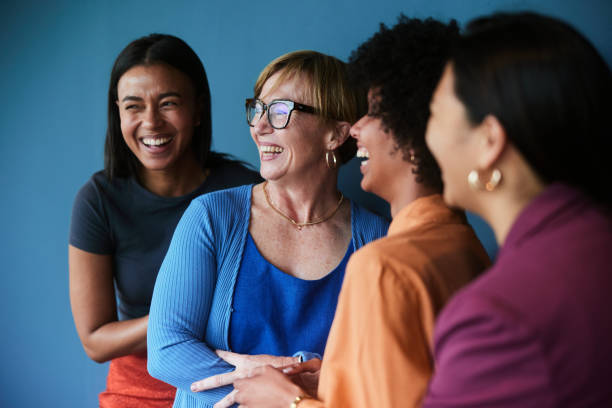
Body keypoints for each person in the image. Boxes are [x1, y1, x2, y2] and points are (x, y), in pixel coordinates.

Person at [191, 16, 491, 408]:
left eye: (376, 112)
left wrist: (289, 400)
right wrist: (326, 377)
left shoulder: (383, 264)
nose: (357, 129)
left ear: (418, 132)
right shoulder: (467, 246)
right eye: (258, 109)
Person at [146, 50, 389, 407]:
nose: (258, 126)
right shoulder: (212, 217)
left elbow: (379, 373)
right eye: (257, 109)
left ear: (336, 134)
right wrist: (274, 383)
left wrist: (274, 380)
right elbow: (167, 350)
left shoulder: (378, 239)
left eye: (280, 111)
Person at [422, 12, 612, 407]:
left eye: (434, 114)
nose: (427, 136)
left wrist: (293, 404)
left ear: (489, 140)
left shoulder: (496, 316)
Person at [68, 34, 262, 407]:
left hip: (230, 383)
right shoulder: (98, 200)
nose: (151, 122)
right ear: (118, 113)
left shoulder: (245, 190)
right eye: (133, 106)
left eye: (169, 103)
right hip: (136, 390)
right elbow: (95, 340)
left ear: (198, 109)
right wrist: (176, 319)